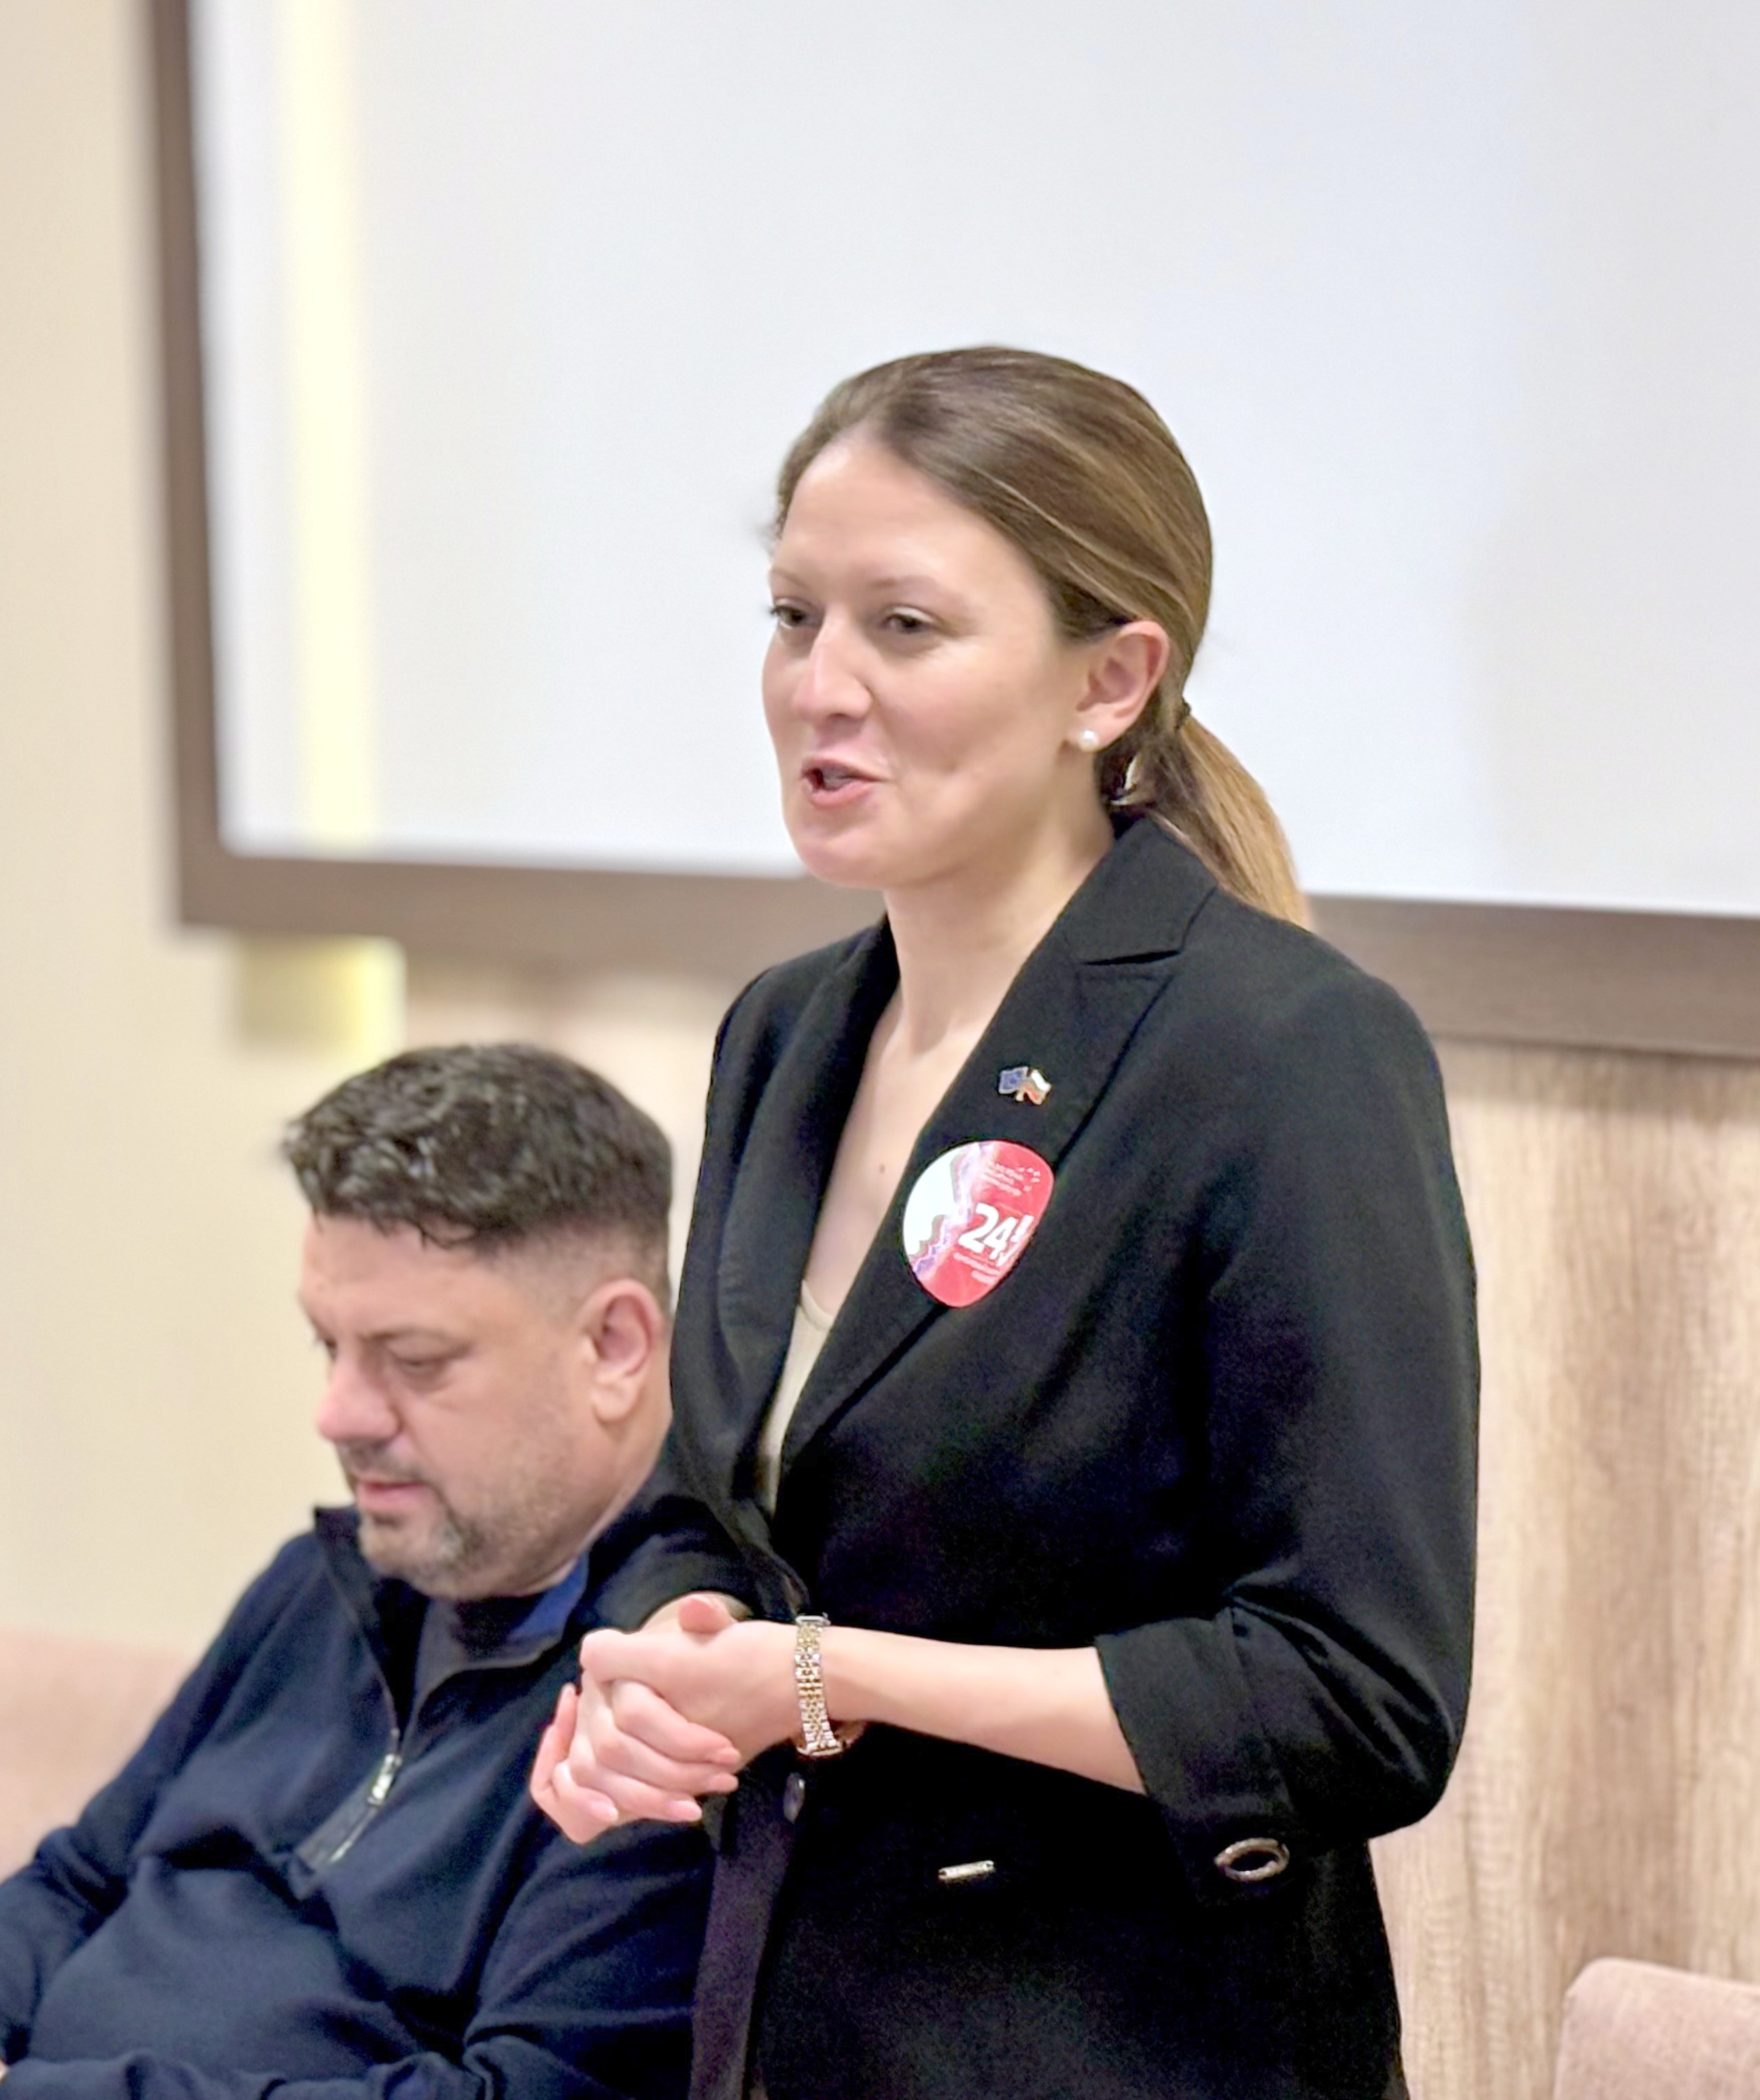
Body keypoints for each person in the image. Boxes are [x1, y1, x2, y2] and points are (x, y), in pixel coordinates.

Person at [529, 348, 1479, 2098]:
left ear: (1109, 682)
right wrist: (659, 1666)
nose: (819, 687)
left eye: (904, 628)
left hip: (1123, 2046)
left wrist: (831, 1679)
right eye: (793, 616)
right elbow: (711, 1513)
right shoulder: (785, 1033)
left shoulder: (1281, 1051)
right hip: (788, 2031)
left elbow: (1353, 1698)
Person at [0, 1045, 717, 2100]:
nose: (339, 1415)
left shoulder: (663, 1702)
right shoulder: (322, 1585)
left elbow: (525, 2093)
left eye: (414, 1361)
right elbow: (76, 1876)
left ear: (615, 1347)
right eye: (327, 1346)